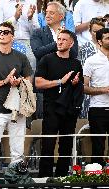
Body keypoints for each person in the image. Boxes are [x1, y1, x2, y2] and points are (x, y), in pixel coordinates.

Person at [0, 22, 32, 179]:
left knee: (17, 151)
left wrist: (20, 82)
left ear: (12, 36)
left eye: (6, 31)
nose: (2, 34)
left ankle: (14, 181)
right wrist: (4, 81)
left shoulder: (21, 57)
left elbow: (30, 78)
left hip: (17, 110)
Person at [35, 30, 83, 177]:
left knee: (66, 145)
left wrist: (75, 83)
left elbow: (80, 85)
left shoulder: (76, 63)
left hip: (69, 109)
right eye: (58, 39)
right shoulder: (47, 59)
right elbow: (38, 83)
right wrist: (59, 82)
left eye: (64, 39)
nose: (60, 41)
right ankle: (44, 178)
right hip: (51, 107)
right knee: (48, 144)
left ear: (71, 43)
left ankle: (62, 177)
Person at [30, 1, 78, 118]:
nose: (47, 15)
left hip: (66, 86)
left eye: (52, 13)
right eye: (46, 12)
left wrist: (64, 38)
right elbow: (38, 53)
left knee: (66, 123)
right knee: (44, 123)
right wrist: (58, 42)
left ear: (61, 16)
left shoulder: (70, 35)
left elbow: (74, 54)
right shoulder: (38, 33)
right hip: (44, 86)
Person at [83, 28, 109, 167]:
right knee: (98, 146)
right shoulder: (91, 61)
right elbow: (84, 87)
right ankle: (97, 178)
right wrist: (104, 89)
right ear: (99, 41)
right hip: (98, 108)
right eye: (107, 38)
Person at [0, 0, 38, 72]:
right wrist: (15, 18)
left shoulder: (31, 1)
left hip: (28, 41)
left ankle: (28, 83)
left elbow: (35, 32)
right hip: (7, 41)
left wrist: (30, 19)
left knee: (32, 60)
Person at [78, 17, 104, 119]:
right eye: (95, 31)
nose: (98, 34)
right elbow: (85, 74)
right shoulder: (86, 48)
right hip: (90, 89)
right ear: (90, 31)